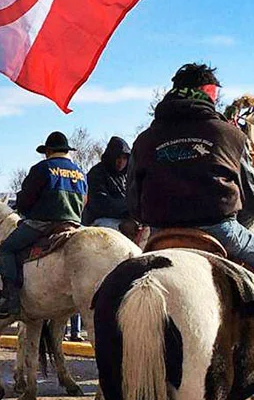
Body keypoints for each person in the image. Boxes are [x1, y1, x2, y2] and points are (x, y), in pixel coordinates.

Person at [128, 63, 254, 265]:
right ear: (209, 95)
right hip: (221, 231)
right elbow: (250, 195)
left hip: (160, 233)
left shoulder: (143, 140)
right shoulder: (231, 135)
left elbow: (133, 202)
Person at [0, 131, 87, 318]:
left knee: (6, 249)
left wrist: (21, 209)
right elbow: (85, 201)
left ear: (49, 151)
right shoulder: (80, 173)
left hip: (43, 223)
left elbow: (26, 199)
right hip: (74, 224)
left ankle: (10, 296)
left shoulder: (43, 168)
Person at [82, 137, 131, 229]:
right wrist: (129, 208)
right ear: (111, 156)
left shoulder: (125, 176)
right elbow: (100, 204)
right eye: (118, 157)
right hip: (97, 221)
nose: (121, 161)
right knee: (126, 228)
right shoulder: (97, 173)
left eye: (124, 158)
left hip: (122, 217)